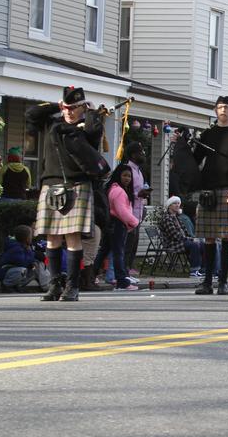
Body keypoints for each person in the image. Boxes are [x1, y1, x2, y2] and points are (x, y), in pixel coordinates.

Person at [26, 86, 110, 302]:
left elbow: (95, 130)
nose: (69, 112)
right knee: (52, 238)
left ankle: (72, 286)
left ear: (82, 107)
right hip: (51, 183)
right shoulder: (53, 124)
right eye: (67, 107)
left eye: (74, 108)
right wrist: (57, 105)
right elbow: (31, 114)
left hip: (77, 184)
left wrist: (91, 112)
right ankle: (55, 285)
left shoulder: (87, 128)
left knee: (72, 238)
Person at [193, 96, 228, 296]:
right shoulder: (207, 134)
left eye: (227, 107)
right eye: (220, 107)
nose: (223, 110)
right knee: (209, 238)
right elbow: (195, 159)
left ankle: (223, 282)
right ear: (215, 110)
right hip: (209, 190)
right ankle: (207, 281)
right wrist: (180, 144)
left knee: (227, 238)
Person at [91, 164, 141, 290]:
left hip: (112, 223)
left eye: (129, 176)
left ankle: (90, 276)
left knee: (104, 252)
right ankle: (122, 281)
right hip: (118, 223)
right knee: (118, 253)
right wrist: (134, 222)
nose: (127, 178)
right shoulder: (118, 191)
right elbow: (121, 211)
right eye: (124, 175)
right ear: (118, 175)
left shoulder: (115, 189)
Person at [123, 142, 151, 276]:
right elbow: (124, 190)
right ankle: (124, 268)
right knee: (128, 243)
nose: (143, 154)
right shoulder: (127, 170)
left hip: (139, 212)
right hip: (129, 211)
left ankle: (129, 266)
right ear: (133, 155)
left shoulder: (139, 171)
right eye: (140, 152)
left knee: (134, 243)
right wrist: (137, 194)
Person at [159, 196, 203, 277]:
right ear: (169, 206)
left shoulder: (177, 217)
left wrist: (192, 238)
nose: (177, 205)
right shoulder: (167, 218)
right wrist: (191, 240)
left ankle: (203, 270)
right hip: (173, 243)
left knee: (202, 243)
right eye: (175, 203)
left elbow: (186, 232)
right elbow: (175, 235)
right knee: (194, 245)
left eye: (178, 203)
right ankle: (194, 270)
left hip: (182, 241)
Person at [0, 225, 38, 292]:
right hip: (6, 272)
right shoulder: (16, 248)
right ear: (26, 238)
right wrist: (30, 253)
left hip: (14, 270)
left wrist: (34, 262)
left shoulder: (26, 246)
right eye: (30, 236)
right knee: (22, 270)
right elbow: (22, 263)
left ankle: (17, 285)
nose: (32, 238)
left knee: (34, 270)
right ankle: (6, 285)